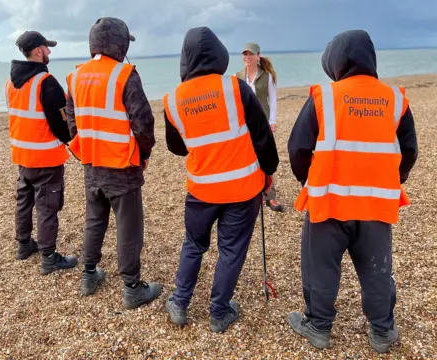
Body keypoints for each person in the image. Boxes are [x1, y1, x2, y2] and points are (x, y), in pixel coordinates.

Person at [287, 29, 418, 353]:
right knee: (377, 268)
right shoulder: (394, 100)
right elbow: (409, 151)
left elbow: (298, 148)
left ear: (335, 63)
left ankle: (318, 326)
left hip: (329, 201)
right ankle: (382, 330)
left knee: (321, 266)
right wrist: (392, 179)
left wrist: (309, 178)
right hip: (376, 204)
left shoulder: (325, 97)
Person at [162, 27, 279, 333]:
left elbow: (176, 147)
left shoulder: (173, 99)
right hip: (243, 188)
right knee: (231, 251)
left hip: (201, 189)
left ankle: (180, 302)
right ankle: (218, 311)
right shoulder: (236, 88)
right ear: (219, 55)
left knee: (193, 245)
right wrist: (269, 172)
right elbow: (262, 136)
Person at [65, 17, 161, 309]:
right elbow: (143, 123)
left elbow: (71, 123)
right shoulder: (125, 75)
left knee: (95, 221)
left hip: (92, 164)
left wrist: (84, 151)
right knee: (128, 226)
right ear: (120, 45)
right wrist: (143, 156)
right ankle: (132, 287)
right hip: (122, 166)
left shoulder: (75, 76)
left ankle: (89, 275)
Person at [5, 30, 78, 275]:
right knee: (47, 205)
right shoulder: (45, 82)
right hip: (46, 157)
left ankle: (24, 245)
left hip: (23, 155)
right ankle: (48, 257)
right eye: (47, 48)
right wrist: (72, 139)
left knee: (24, 201)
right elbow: (61, 121)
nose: (49, 52)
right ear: (38, 50)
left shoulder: (11, 82)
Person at [236, 42, 285, 212]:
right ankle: (249, 193)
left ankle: (270, 196)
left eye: (250, 54)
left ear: (258, 56)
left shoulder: (267, 76)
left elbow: (272, 99)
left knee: (266, 158)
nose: (247, 57)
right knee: (245, 157)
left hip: (263, 123)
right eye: (245, 54)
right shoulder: (237, 76)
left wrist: (272, 121)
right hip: (243, 125)